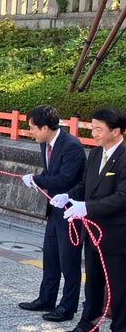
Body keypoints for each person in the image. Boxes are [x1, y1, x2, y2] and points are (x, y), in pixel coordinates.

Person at [51, 106, 126, 332]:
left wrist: (87, 207)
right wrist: (68, 196)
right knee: (92, 281)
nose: (94, 133)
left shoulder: (124, 157)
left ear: (116, 131)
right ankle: (89, 322)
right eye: (92, 128)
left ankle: (120, 327)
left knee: (118, 285)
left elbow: (122, 196)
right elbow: (85, 185)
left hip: (116, 233)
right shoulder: (94, 154)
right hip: (92, 231)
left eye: (99, 129)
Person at [18, 105, 86, 322]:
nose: (30, 132)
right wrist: (37, 179)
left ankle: (67, 307)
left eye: (32, 128)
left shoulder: (71, 146)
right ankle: (46, 298)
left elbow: (65, 179)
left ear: (45, 127)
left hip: (70, 210)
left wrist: (35, 179)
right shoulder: (45, 143)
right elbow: (49, 172)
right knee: (50, 257)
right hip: (54, 209)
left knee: (69, 262)